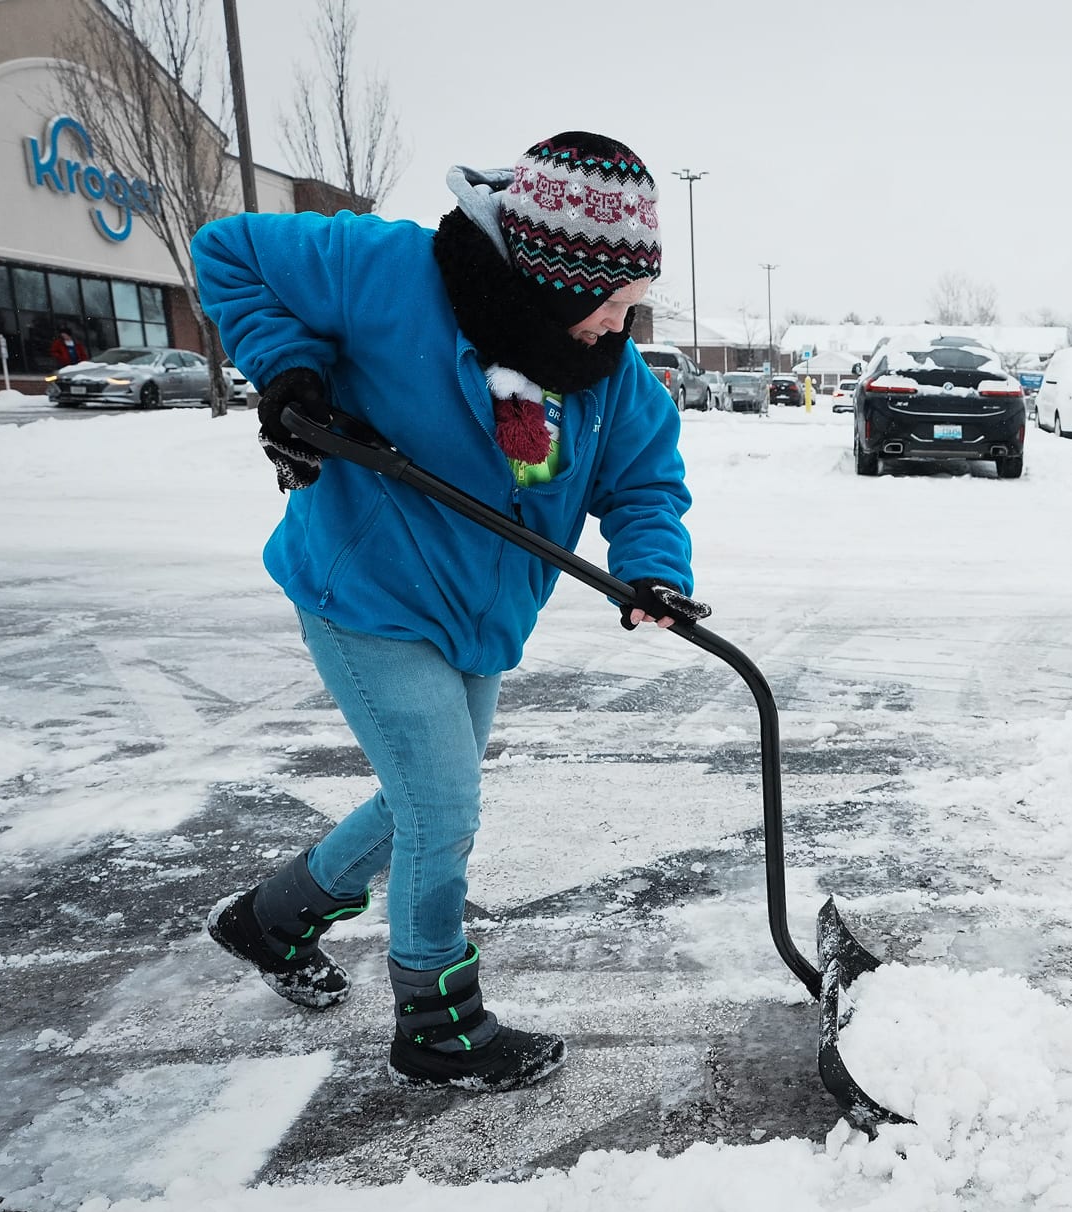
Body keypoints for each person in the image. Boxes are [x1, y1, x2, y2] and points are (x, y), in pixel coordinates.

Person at [191, 131, 695, 1093]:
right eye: (611, 305)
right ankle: (436, 1019)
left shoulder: (610, 375)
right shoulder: (391, 272)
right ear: (550, 277)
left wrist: (653, 571)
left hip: (481, 614)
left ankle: (272, 918)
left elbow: (643, 486)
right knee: (443, 803)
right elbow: (229, 252)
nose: (620, 329)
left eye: (637, 306)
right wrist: (289, 375)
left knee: (419, 796)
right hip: (365, 590)